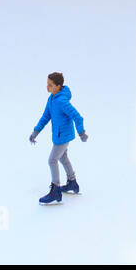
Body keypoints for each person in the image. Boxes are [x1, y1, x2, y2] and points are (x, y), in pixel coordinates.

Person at [29, 71, 87, 206]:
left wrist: (82, 133)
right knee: (63, 158)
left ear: (58, 86)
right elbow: (45, 117)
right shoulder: (51, 99)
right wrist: (35, 132)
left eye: (50, 85)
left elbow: (77, 116)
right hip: (59, 135)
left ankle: (56, 190)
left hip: (63, 136)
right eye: (47, 84)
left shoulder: (61, 101)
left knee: (52, 160)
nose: (47, 87)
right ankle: (72, 183)